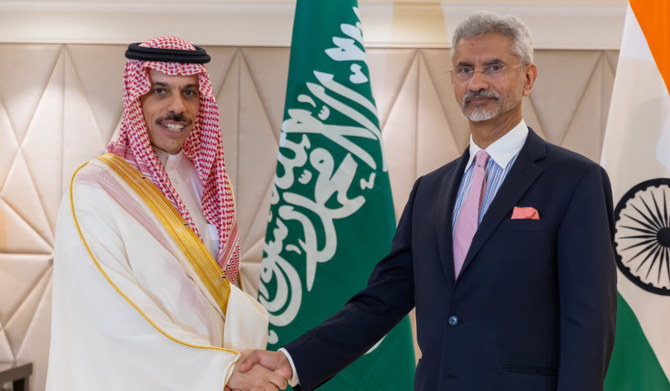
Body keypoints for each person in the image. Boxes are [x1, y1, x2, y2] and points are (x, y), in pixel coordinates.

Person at [239, 11, 617, 391]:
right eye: (465, 69)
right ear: (452, 79)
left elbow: (589, 325)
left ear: (528, 77)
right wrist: (291, 360)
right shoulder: (429, 191)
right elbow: (381, 301)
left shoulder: (575, 181)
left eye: (495, 67)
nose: (478, 82)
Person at [46, 36, 288, 391]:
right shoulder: (95, 190)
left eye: (189, 92)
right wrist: (216, 370)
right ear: (136, 98)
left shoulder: (206, 184)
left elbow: (222, 295)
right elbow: (112, 315)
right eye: (161, 91)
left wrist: (236, 367)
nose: (179, 107)